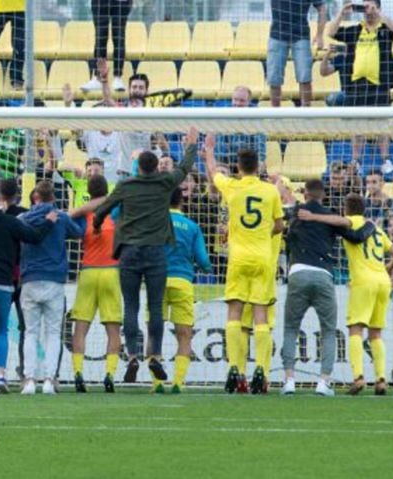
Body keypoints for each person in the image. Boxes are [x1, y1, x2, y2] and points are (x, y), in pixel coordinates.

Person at [93, 127, 198, 385]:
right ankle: (156, 357)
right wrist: (191, 145)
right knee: (155, 307)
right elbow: (183, 169)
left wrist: (96, 225)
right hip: (155, 252)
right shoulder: (164, 183)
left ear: (138, 166)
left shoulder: (125, 185)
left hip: (128, 252)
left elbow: (103, 208)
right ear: (155, 168)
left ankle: (131, 355)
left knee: (131, 306)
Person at [202, 134, 284, 394]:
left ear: (238, 168)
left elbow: (213, 172)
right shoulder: (270, 191)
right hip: (262, 258)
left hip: (237, 258)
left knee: (234, 314)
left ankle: (234, 368)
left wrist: (208, 151)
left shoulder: (232, 187)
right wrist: (262, 234)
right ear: (258, 167)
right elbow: (281, 226)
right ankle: (261, 367)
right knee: (261, 315)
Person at [299, 194, 393, 395]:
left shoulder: (352, 222)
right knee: (376, 333)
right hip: (382, 282)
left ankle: (358, 378)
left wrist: (313, 217)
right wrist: (387, 270)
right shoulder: (377, 229)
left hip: (363, 281)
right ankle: (381, 380)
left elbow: (339, 221)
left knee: (355, 330)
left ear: (347, 209)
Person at [0, 182, 57, 394]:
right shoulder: (9, 222)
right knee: (1, 331)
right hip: (3, 284)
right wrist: (49, 222)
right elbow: (34, 237)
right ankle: (1, 376)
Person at [272, 178, 352, 397]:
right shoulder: (331, 217)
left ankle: (289, 380)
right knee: (328, 330)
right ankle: (323, 382)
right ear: (323, 194)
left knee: (290, 328)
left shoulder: (296, 212)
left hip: (297, 273)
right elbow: (348, 224)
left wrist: (279, 189)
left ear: (305, 193)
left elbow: (278, 214)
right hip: (324, 275)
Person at [17, 180, 83, 395]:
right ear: (53, 198)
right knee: (53, 333)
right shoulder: (61, 218)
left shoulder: (23, 218)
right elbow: (79, 232)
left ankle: (28, 380)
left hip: (29, 279)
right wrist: (81, 211)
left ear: (35, 198)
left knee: (30, 332)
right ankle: (48, 379)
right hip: (54, 280)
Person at [324, 0, 393, 175]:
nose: (367, 11)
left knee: (382, 124)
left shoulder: (384, 30)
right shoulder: (354, 30)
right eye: (365, 7)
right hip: (357, 85)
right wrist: (342, 13)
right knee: (358, 125)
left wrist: (378, 13)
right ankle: (356, 160)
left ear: (378, 8)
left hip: (380, 85)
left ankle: (385, 160)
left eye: (371, 7)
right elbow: (331, 32)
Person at [67, 174, 121, 393]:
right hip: (110, 272)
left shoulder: (84, 215)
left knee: (80, 327)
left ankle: (78, 373)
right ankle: (109, 374)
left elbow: (69, 218)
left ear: (88, 192)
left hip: (88, 271)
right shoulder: (116, 211)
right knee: (113, 330)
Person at [162, 187, 213, 393]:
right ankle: (177, 382)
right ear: (181, 202)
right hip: (183, 281)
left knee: (153, 331)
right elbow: (203, 261)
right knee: (184, 334)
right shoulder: (192, 226)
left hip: (157, 281)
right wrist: (206, 267)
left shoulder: (155, 223)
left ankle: (156, 383)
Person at [214, 86, 268, 171]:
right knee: (219, 169)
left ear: (248, 102)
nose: (238, 103)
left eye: (242, 101)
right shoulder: (224, 115)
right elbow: (220, 147)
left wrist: (259, 161)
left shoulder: (257, 117)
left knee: (260, 166)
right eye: (235, 99)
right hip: (227, 160)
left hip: (249, 160)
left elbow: (260, 146)